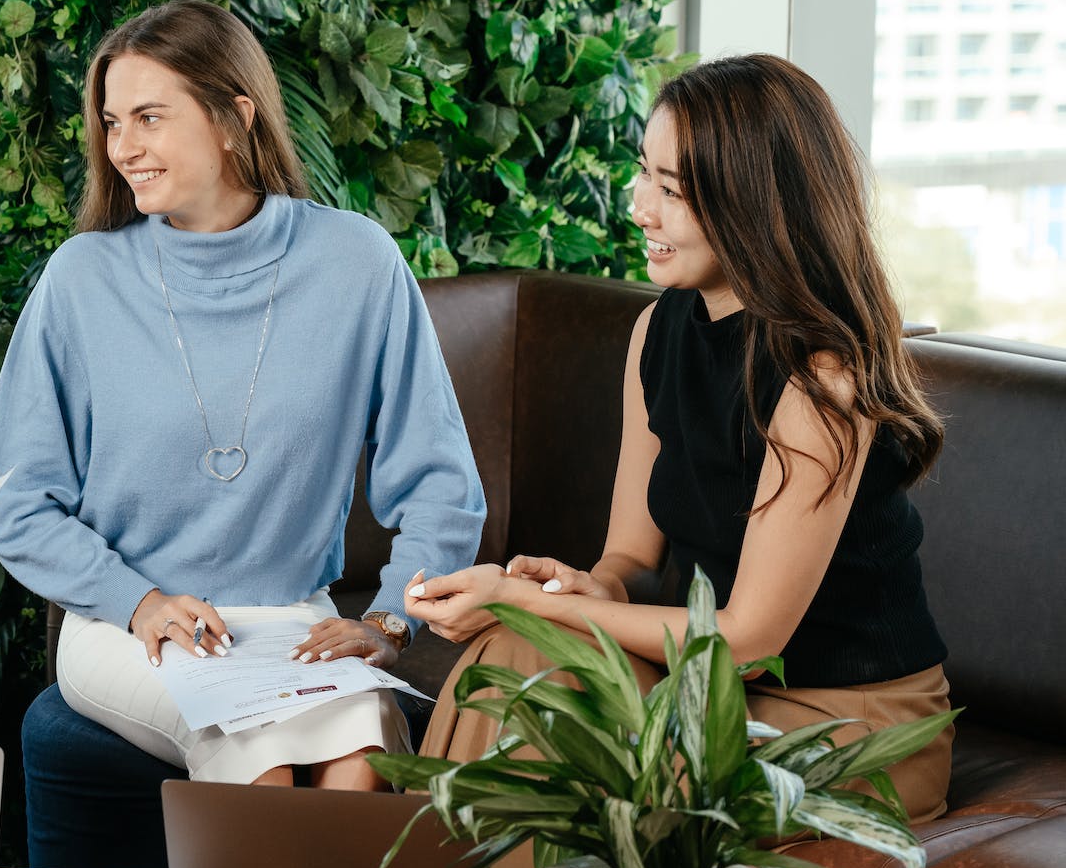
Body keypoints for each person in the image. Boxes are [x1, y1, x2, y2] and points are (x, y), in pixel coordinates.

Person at [407, 53, 953, 821]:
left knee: (557, 699)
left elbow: (748, 639)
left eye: (671, 191)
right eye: (643, 177)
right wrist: (573, 588)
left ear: (754, 206)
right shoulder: (656, 331)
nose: (639, 209)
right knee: (514, 658)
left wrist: (536, 607)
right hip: (715, 689)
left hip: (844, 720)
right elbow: (631, 559)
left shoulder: (819, 377)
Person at [0, 0, 486, 790]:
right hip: (128, 627)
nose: (124, 148)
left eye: (148, 117)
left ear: (232, 117)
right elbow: (16, 502)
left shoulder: (358, 263)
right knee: (266, 763)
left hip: (291, 615)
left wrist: (389, 620)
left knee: (362, 758)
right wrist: (136, 597)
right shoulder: (82, 279)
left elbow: (441, 485)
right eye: (113, 122)